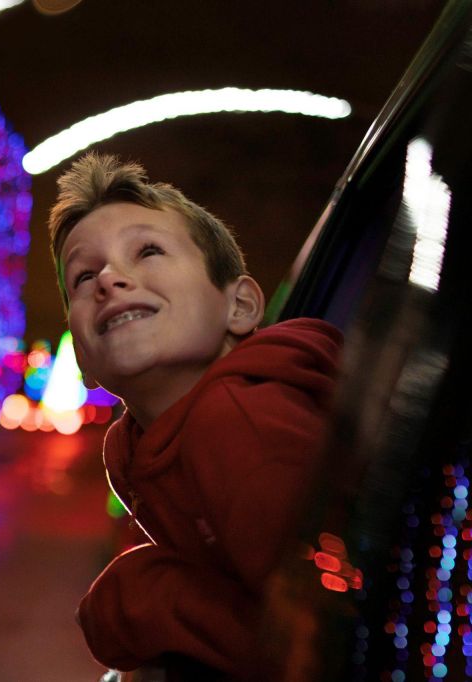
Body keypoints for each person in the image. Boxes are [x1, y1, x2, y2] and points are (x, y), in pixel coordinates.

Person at [48, 152, 342, 679]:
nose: (109, 279)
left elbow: (330, 647)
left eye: (148, 251)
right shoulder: (134, 446)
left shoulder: (240, 425)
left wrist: (148, 596)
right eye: (83, 274)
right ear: (83, 361)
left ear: (241, 308)